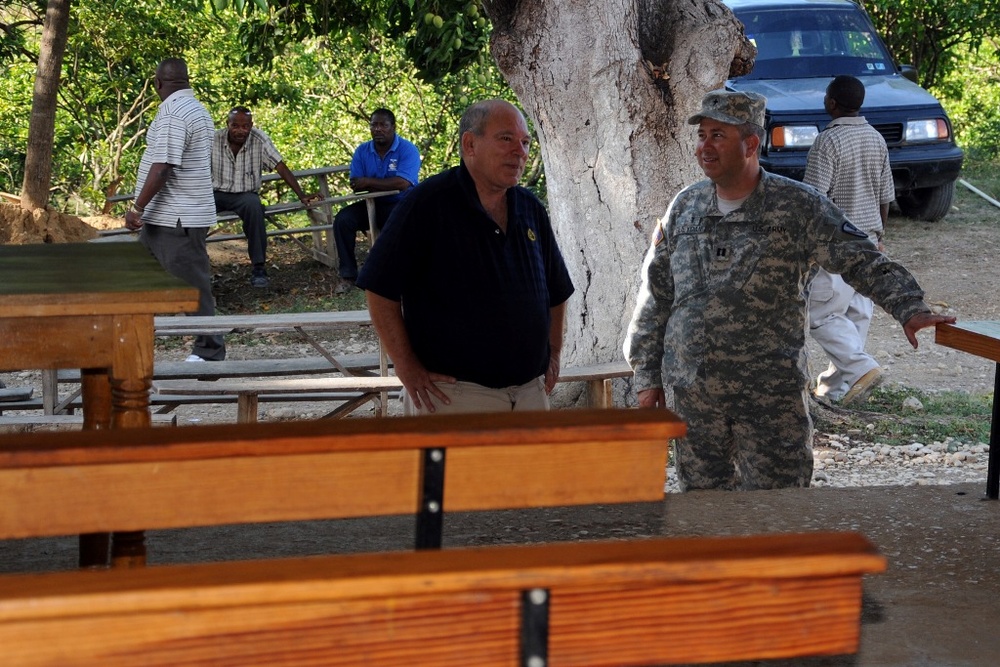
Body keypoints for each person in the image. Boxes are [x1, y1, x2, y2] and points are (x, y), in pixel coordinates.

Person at [623, 89, 954, 491]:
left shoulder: (798, 206)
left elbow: (859, 257)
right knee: (703, 512)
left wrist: (908, 306)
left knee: (781, 510)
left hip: (770, 394)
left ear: (750, 144)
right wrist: (647, 375)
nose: (704, 147)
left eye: (717, 136)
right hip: (695, 393)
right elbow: (656, 294)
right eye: (702, 135)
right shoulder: (685, 206)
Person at [357, 99, 574, 415]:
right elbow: (379, 289)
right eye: (506, 139)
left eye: (525, 142)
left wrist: (553, 354)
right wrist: (406, 368)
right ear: (469, 144)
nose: (520, 151)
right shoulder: (427, 204)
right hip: (452, 398)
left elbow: (557, 291)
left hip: (529, 395)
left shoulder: (530, 208)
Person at [124, 57, 225, 362]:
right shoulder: (197, 109)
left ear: (157, 83)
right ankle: (128, 342)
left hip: (177, 217)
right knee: (137, 279)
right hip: (167, 214)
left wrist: (137, 207)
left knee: (193, 285)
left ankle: (210, 351)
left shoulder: (173, 112)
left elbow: (163, 168)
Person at [805, 75, 895, 405]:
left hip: (837, 245)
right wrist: (878, 237)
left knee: (821, 315)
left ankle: (861, 369)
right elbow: (885, 196)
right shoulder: (876, 139)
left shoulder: (827, 142)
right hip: (869, 240)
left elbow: (815, 199)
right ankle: (837, 391)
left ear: (831, 103)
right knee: (857, 313)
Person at [211, 106, 319, 288]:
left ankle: (259, 267)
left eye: (245, 126)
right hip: (215, 193)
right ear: (227, 124)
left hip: (245, 195)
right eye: (235, 125)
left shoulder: (259, 139)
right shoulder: (212, 139)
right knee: (193, 210)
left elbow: (280, 167)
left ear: (251, 126)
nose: (240, 130)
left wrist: (301, 195)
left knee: (254, 206)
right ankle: (192, 266)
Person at [333, 108, 421, 293]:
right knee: (343, 220)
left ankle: (395, 274)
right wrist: (382, 183)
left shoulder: (407, 149)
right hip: (370, 203)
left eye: (383, 125)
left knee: (397, 223)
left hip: (400, 203)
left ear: (393, 127)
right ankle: (348, 275)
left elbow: (403, 183)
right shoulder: (362, 150)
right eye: (374, 124)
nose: (378, 129)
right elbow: (356, 183)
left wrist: (369, 181)